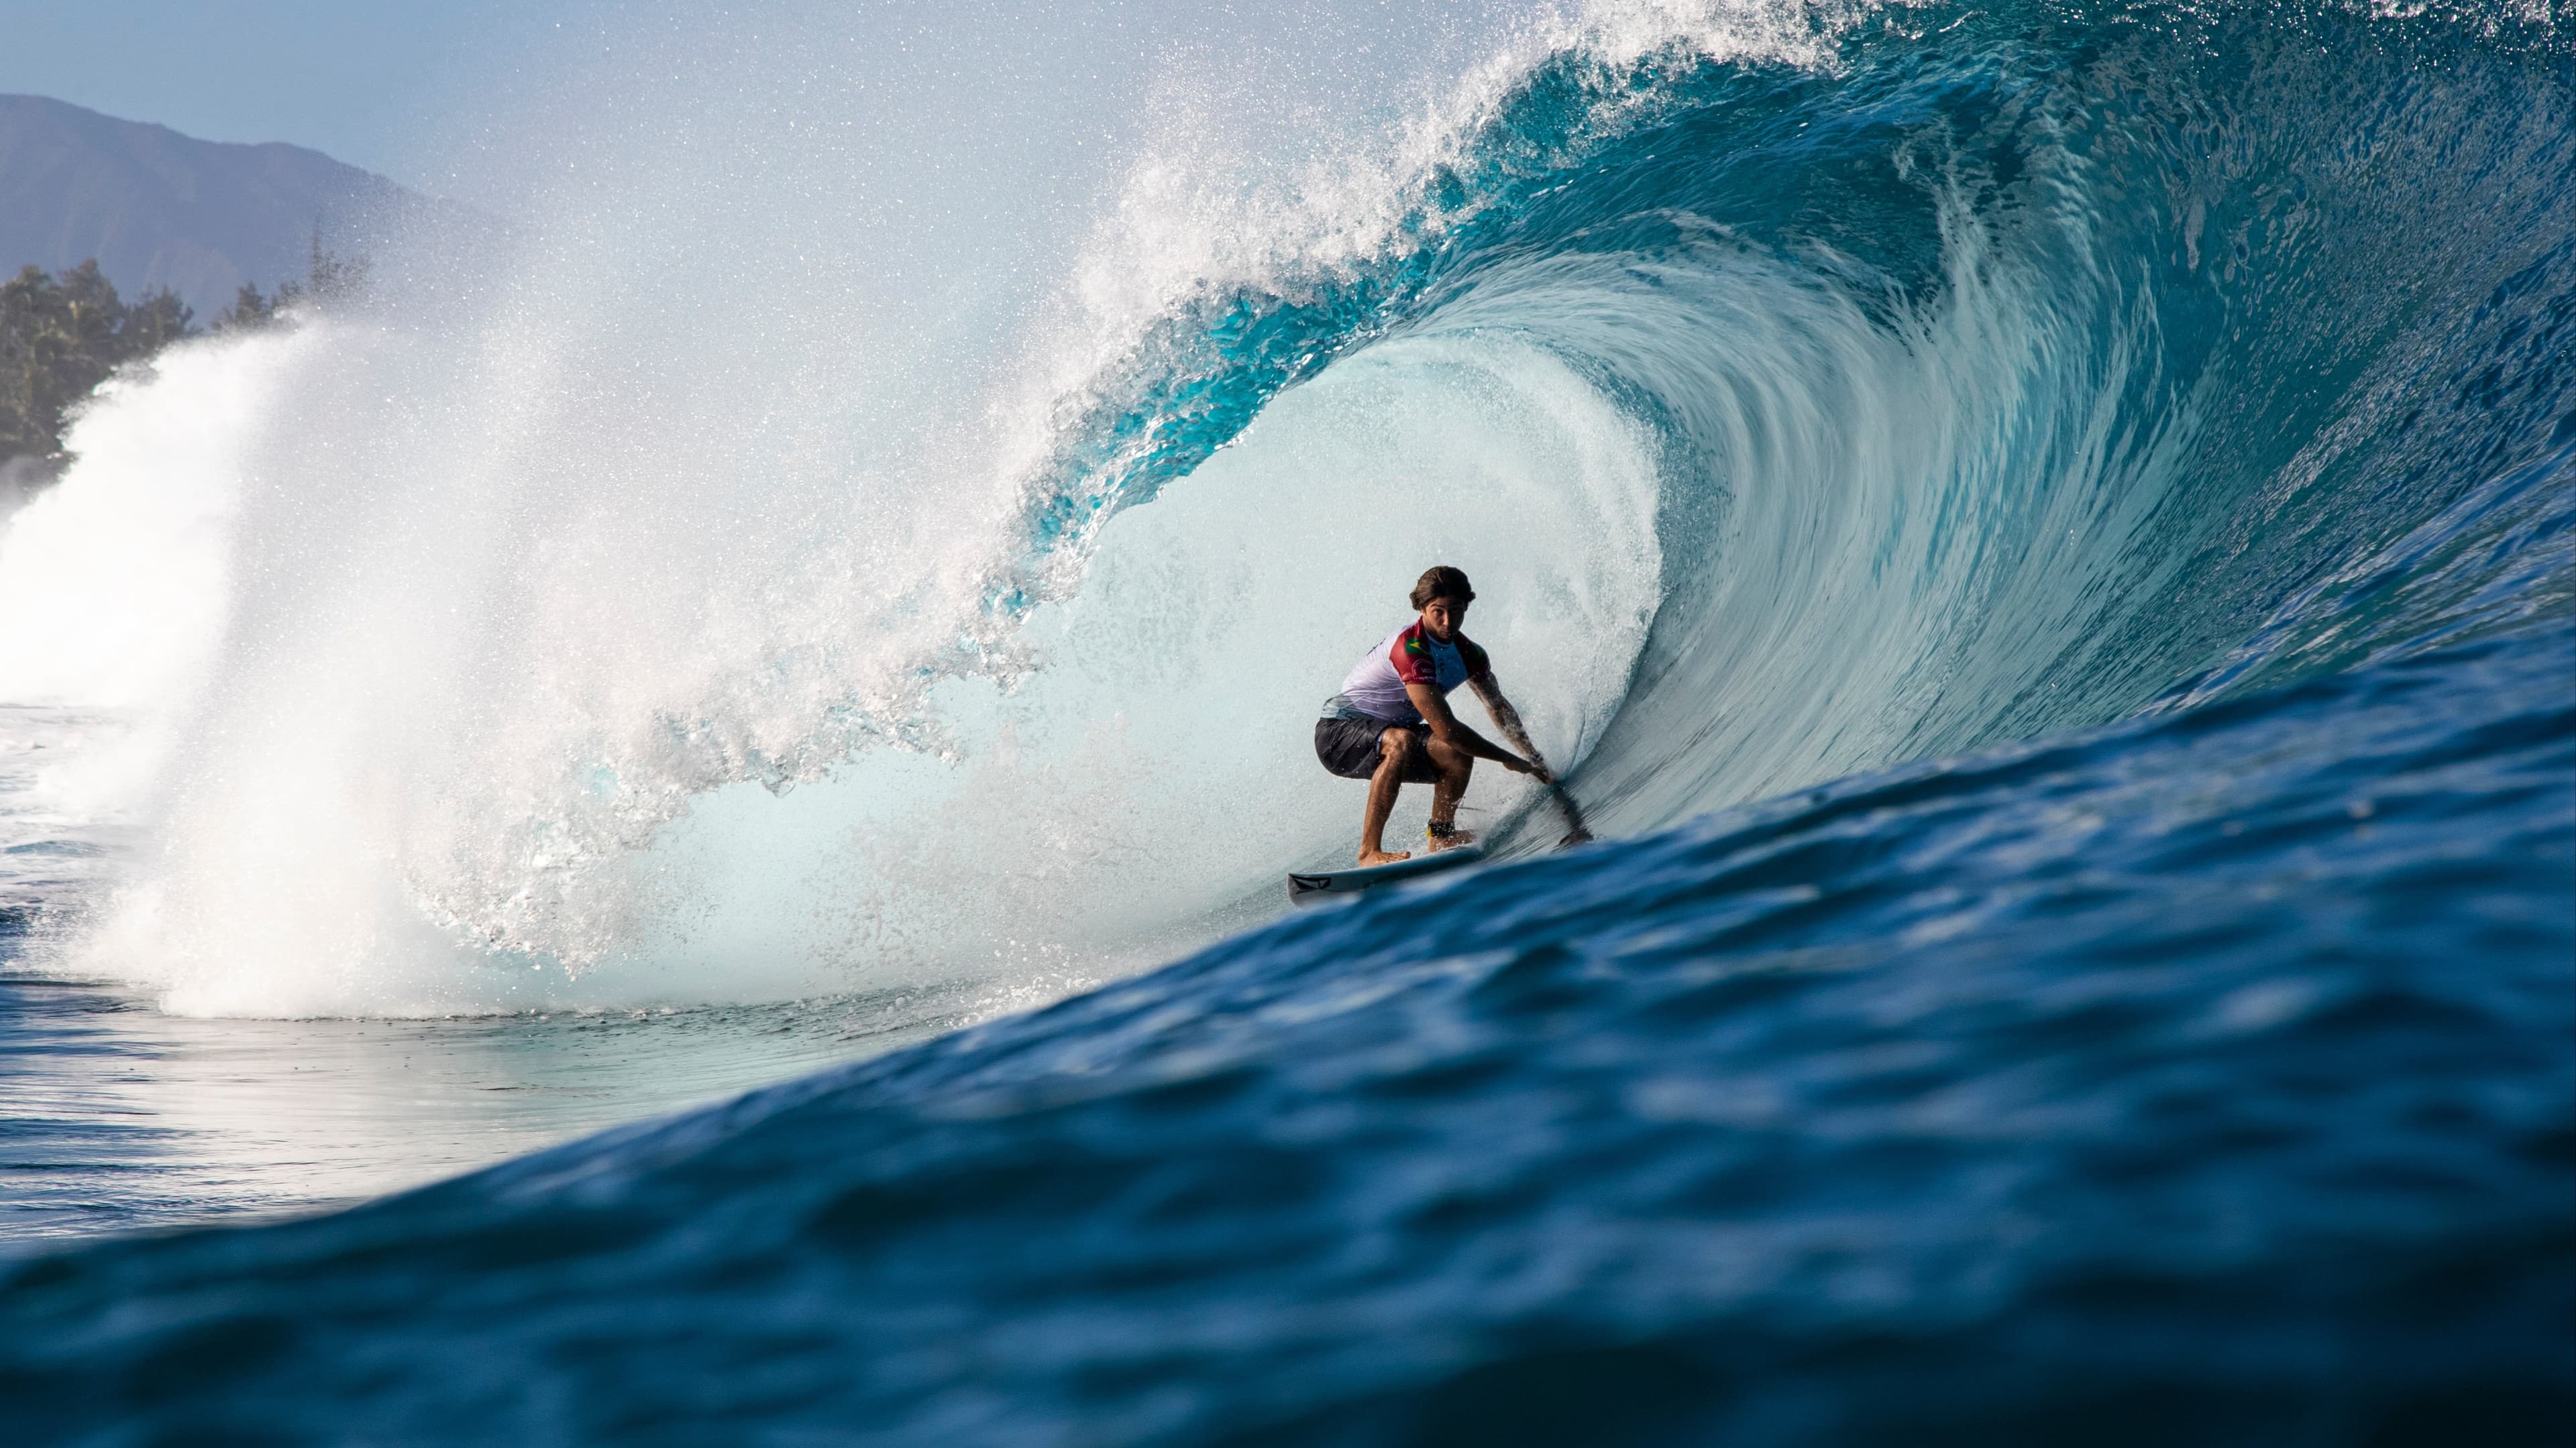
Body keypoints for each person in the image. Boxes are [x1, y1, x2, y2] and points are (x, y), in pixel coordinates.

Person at [1313, 565, 1554, 865]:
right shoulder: (1410, 649)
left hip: (1390, 730)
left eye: (1456, 610)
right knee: (1404, 742)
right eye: (1438, 611)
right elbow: (1447, 728)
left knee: (1454, 753)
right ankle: (1369, 852)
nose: (1448, 621)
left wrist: (1534, 758)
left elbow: (1499, 708)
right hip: (1336, 734)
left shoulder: (1471, 655)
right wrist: (1507, 758)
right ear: (1422, 608)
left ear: (1467, 606)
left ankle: (1441, 835)